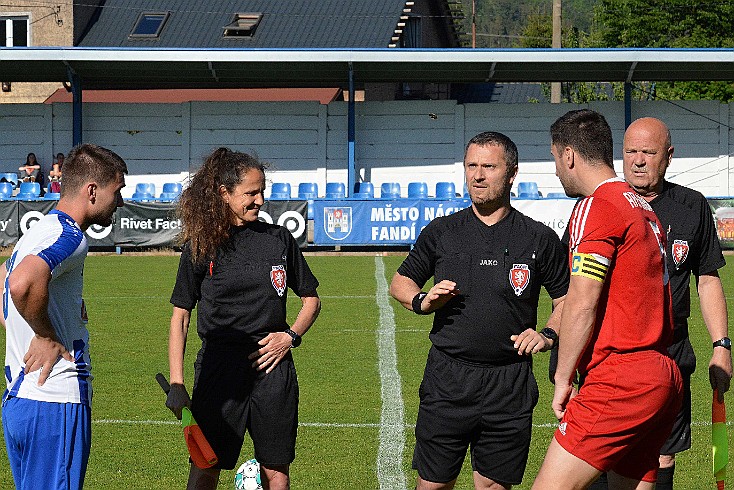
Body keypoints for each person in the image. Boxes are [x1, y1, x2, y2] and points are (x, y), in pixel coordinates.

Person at [390, 131, 569, 489]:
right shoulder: (443, 231)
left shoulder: (538, 238)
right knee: (434, 484)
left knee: (492, 486)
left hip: (509, 381)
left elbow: (566, 300)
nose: (478, 175)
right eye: (472, 165)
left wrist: (547, 335)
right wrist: (422, 302)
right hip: (448, 378)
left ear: (512, 173)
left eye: (489, 166)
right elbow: (400, 282)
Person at [533, 109, 683, 490]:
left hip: (621, 378)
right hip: (662, 373)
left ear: (568, 156)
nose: (555, 171)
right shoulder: (643, 207)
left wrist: (564, 377)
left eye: (554, 159)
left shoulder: (595, 206)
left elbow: (583, 299)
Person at [166, 147, 321, 490]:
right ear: (224, 192)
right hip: (218, 371)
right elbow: (180, 317)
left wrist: (289, 337)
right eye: (251, 192)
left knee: (276, 471)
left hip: (273, 369)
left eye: (262, 191)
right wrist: (177, 384)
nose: (260, 200)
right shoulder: (201, 245)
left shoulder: (278, 239)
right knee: (206, 467)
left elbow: (311, 300)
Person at [1, 143, 127, 490]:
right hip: (54, 402)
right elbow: (21, 284)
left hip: (21, 400)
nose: (120, 202)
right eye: (117, 191)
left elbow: (3, 281)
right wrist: (45, 336)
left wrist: (25, 327)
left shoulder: (38, 230)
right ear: (92, 191)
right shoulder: (70, 236)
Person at [621, 116, 731, 489]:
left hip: (671, 354)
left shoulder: (692, 206)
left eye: (648, 153)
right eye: (630, 151)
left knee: (663, 454)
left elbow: (708, 279)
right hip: (614, 356)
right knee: (608, 451)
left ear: (668, 156)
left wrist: (721, 346)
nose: (637, 160)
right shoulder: (602, 204)